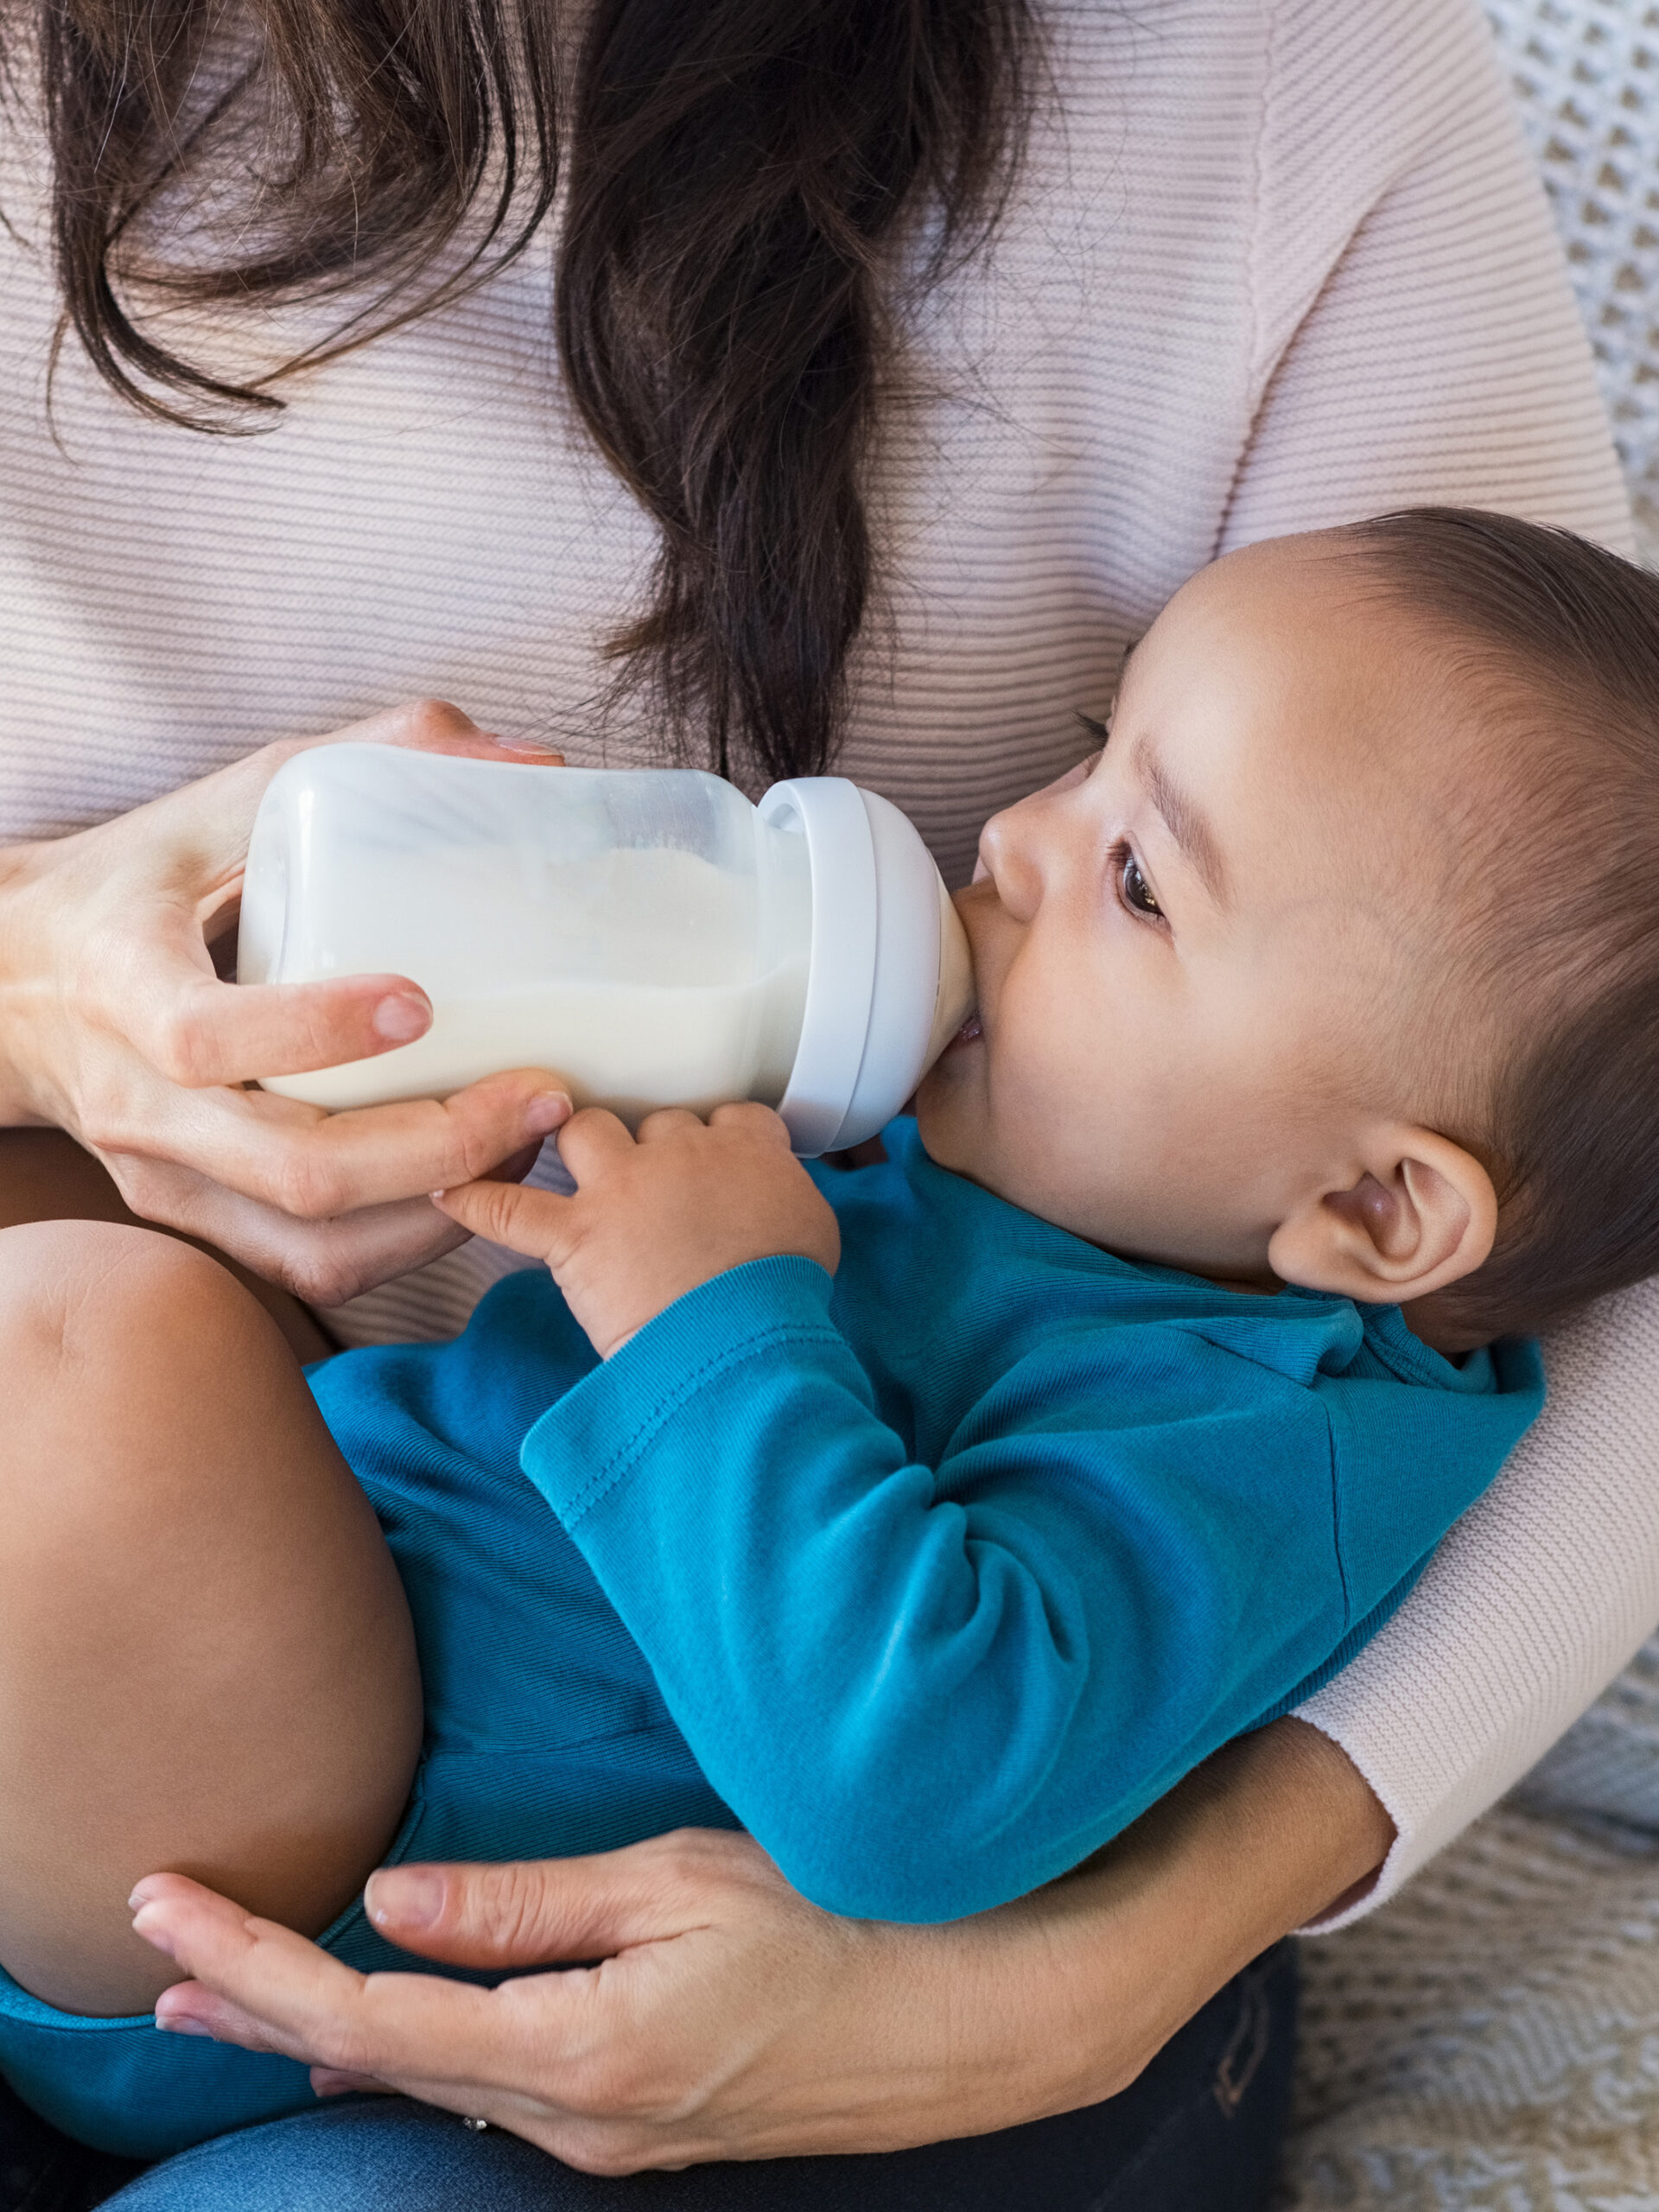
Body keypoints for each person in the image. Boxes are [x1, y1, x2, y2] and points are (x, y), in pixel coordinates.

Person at [2, 0, 1654, 2204]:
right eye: (1077, 748)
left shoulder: (1257, 1424)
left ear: (1375, 1212)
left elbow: (915, 1797)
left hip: (727, 2047)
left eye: (1140, 875)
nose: (1006, 838)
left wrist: (715, 1326)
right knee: (69, 1356)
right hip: (276, 1857)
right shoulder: (1007, 1164)